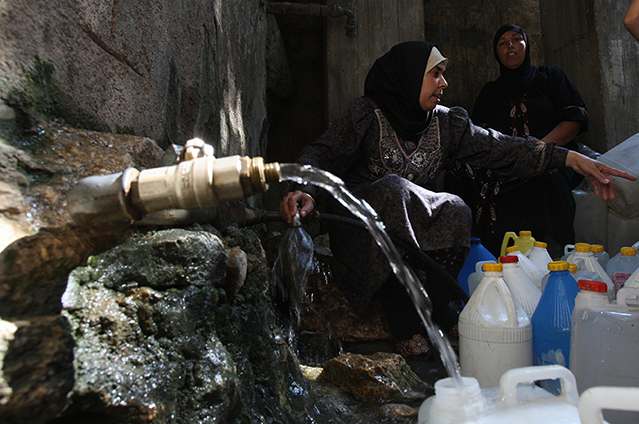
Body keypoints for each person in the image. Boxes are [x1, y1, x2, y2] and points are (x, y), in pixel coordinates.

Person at [279, 41, 634, 357]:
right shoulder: (365, 116)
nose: (444, 83)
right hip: (362, 235)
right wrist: (303, 190)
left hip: (409, 229)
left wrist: (567, 158)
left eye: (443, 74)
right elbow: (320, 153)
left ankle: (440, 306)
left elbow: (501, 148)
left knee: (455, 207)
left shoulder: (446, 124)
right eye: (435, 74)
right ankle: (400, 309)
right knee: (394, 188)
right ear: (407, 77)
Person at [444, 24, 590, 258]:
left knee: (542, 179)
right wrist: (513, 158)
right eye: (502, 42)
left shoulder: (550, 77)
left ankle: (550, 257)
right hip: (503, 163)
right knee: (461, 174)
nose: (510, 46)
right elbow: (478, 139)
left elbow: (572, 122)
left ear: (526, 45)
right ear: (496, 53)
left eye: (516, 39)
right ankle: (474, 256)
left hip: (552, 156)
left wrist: (538, 153)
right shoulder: (490, 92)